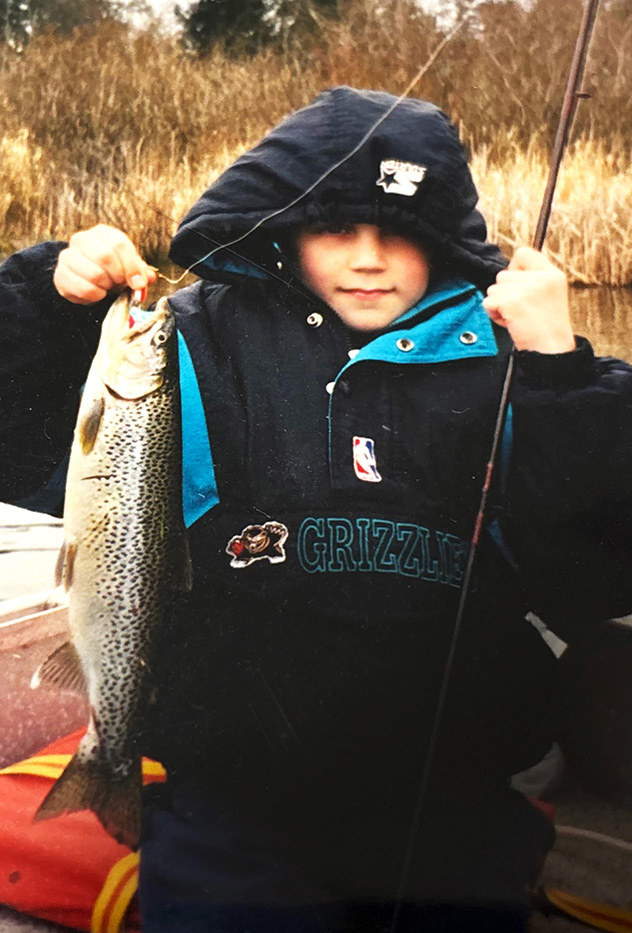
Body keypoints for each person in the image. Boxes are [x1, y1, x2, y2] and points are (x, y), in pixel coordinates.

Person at [2, 86, 632, 932]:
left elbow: (592, 575)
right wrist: (46, 298)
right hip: (231, 808)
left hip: (453, 809)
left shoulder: (518, 359)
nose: (369, 258)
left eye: (399, 230)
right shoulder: (190, 346)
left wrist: (559, 368)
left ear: (446, 239)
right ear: (284, 227)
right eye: (338, 227)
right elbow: (24, 435)